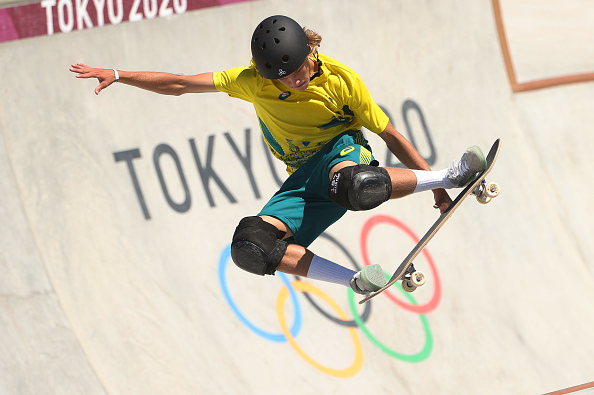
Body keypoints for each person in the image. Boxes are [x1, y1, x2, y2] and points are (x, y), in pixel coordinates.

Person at [70, 15, 486, 295]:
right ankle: (356, 281)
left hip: (341, 152)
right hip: (300, 177)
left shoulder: (342, 82)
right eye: (285, 76)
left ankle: (453, 173)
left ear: (310, 51)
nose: (297, 79)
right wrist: (121, 75)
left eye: (301, 68)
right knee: (250, 245)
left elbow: (390, 134)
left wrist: (438, 185)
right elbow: (179, 84)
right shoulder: (251, 81)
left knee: (354, 185)